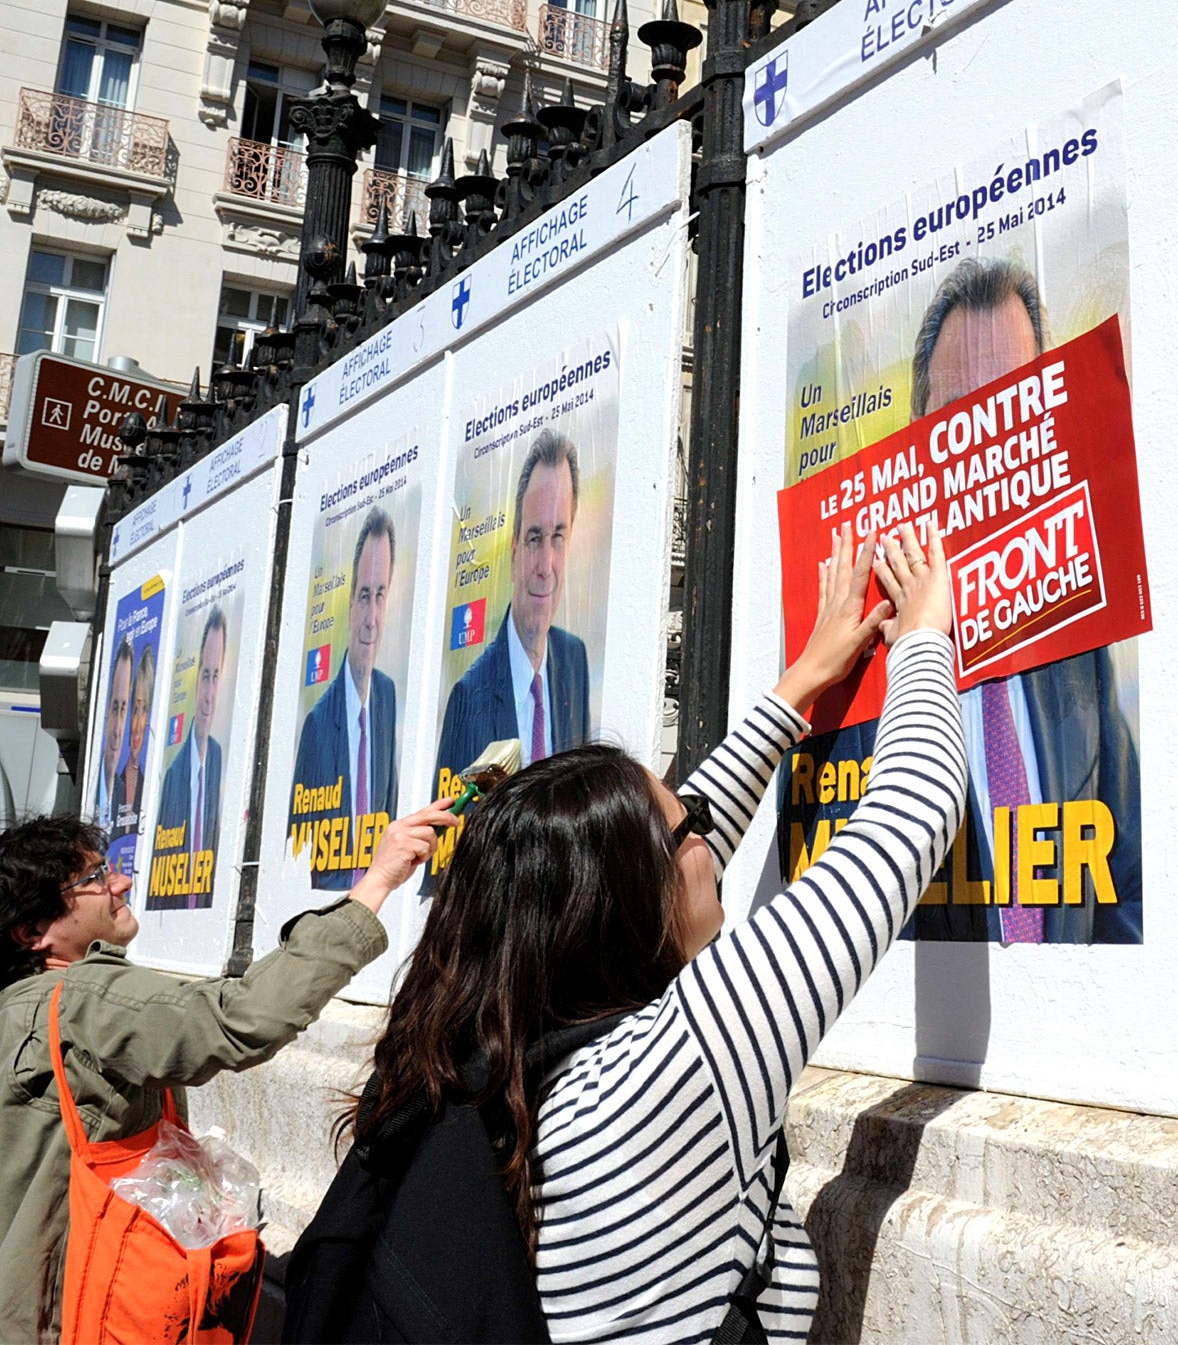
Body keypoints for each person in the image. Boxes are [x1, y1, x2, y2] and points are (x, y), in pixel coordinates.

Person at [325, 525, 964, 1342]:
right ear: (626, 909)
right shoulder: (674, 1062)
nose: (705, 841)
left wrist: (799, 685)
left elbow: (675, 842)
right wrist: (920, 642)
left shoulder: (489, 1057)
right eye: (682, 835)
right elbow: (911, 816)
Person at [0, 797, 456, 1343]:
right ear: (33, 932)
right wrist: (376, 884)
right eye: (94, 879)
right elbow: (246, 1017)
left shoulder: (19, 1006)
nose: (120, 884)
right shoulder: (83, 998)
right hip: (73, 1316)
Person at [906, 256, 1142, 942]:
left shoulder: (1080, 651)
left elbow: (1126, 882)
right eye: (958, 418)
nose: (985, 447)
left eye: (1008, 407)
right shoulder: (872, 663)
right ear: (917, 435)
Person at [436, 431, 592, 789]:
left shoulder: (574, 659)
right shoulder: (470, 694)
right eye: (535, 538)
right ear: (514, 551)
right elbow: (453, 832)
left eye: (559, 537)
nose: (546, 565)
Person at [293, 508, 401, 891]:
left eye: (381, 596)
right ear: (350, 603)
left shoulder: (387, 696)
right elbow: (299, 851)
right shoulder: (318, 724)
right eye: (364, 596)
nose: (372, 617)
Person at [154, 609, 229, 910]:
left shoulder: (218, 758)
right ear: (195, 680)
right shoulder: (173, 775)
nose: (210, 694)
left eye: (216, 677)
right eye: (205, 677)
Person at [116, 642, 154, 848]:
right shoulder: (114, 784)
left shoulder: (153, 786)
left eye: (145, 710)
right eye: (135, 709)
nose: (138, 724)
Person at [92, 638, 131, 831]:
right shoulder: (90, 786)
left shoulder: (123, 793)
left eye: (123, 709)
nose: (117, 730)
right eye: (114, 708)